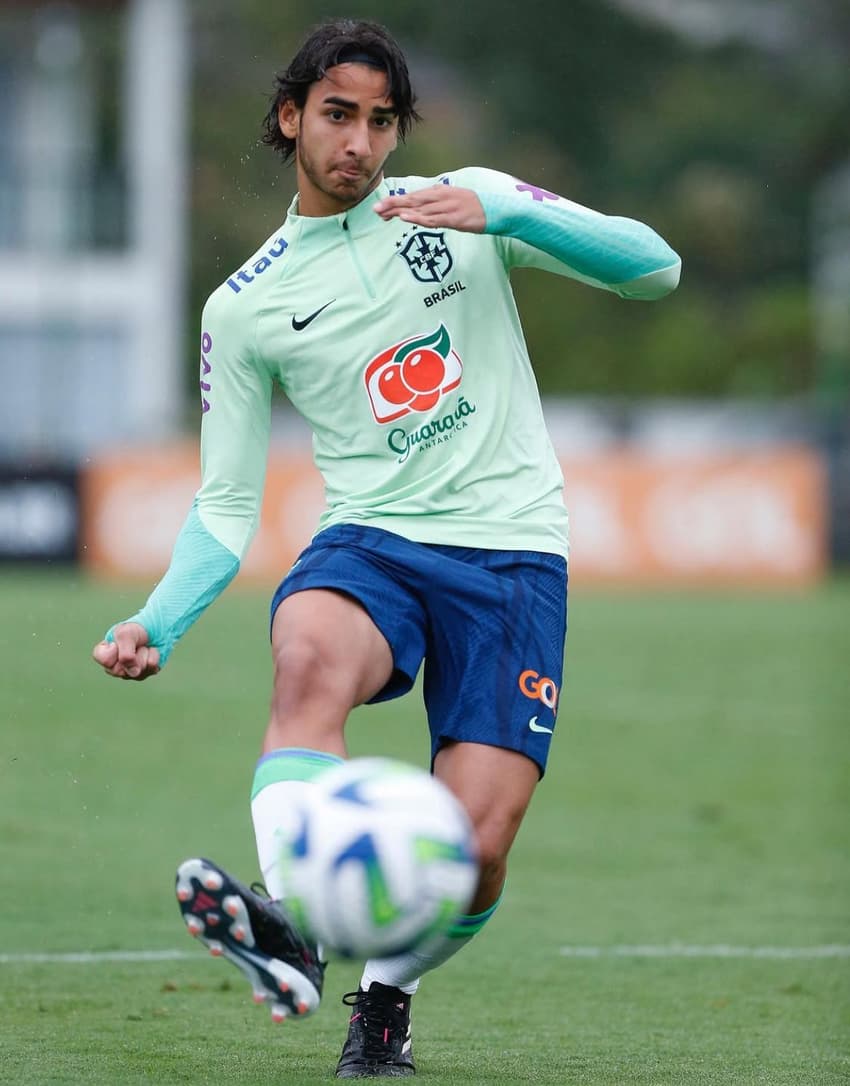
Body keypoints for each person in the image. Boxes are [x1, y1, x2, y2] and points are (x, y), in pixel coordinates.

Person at [92, 17, 681, 1079]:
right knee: (308, 655)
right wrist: (157, 618)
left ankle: (383, 1007)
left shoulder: (463, 206)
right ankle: (292, 927)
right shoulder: (246, 304)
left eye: (378, 121)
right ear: (290, 119)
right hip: (372, 542)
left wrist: (504, 211)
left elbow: (655, 270)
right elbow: (225, 507)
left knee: (478, 852)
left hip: (510, 556)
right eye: (336, 116)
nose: (359, 142)